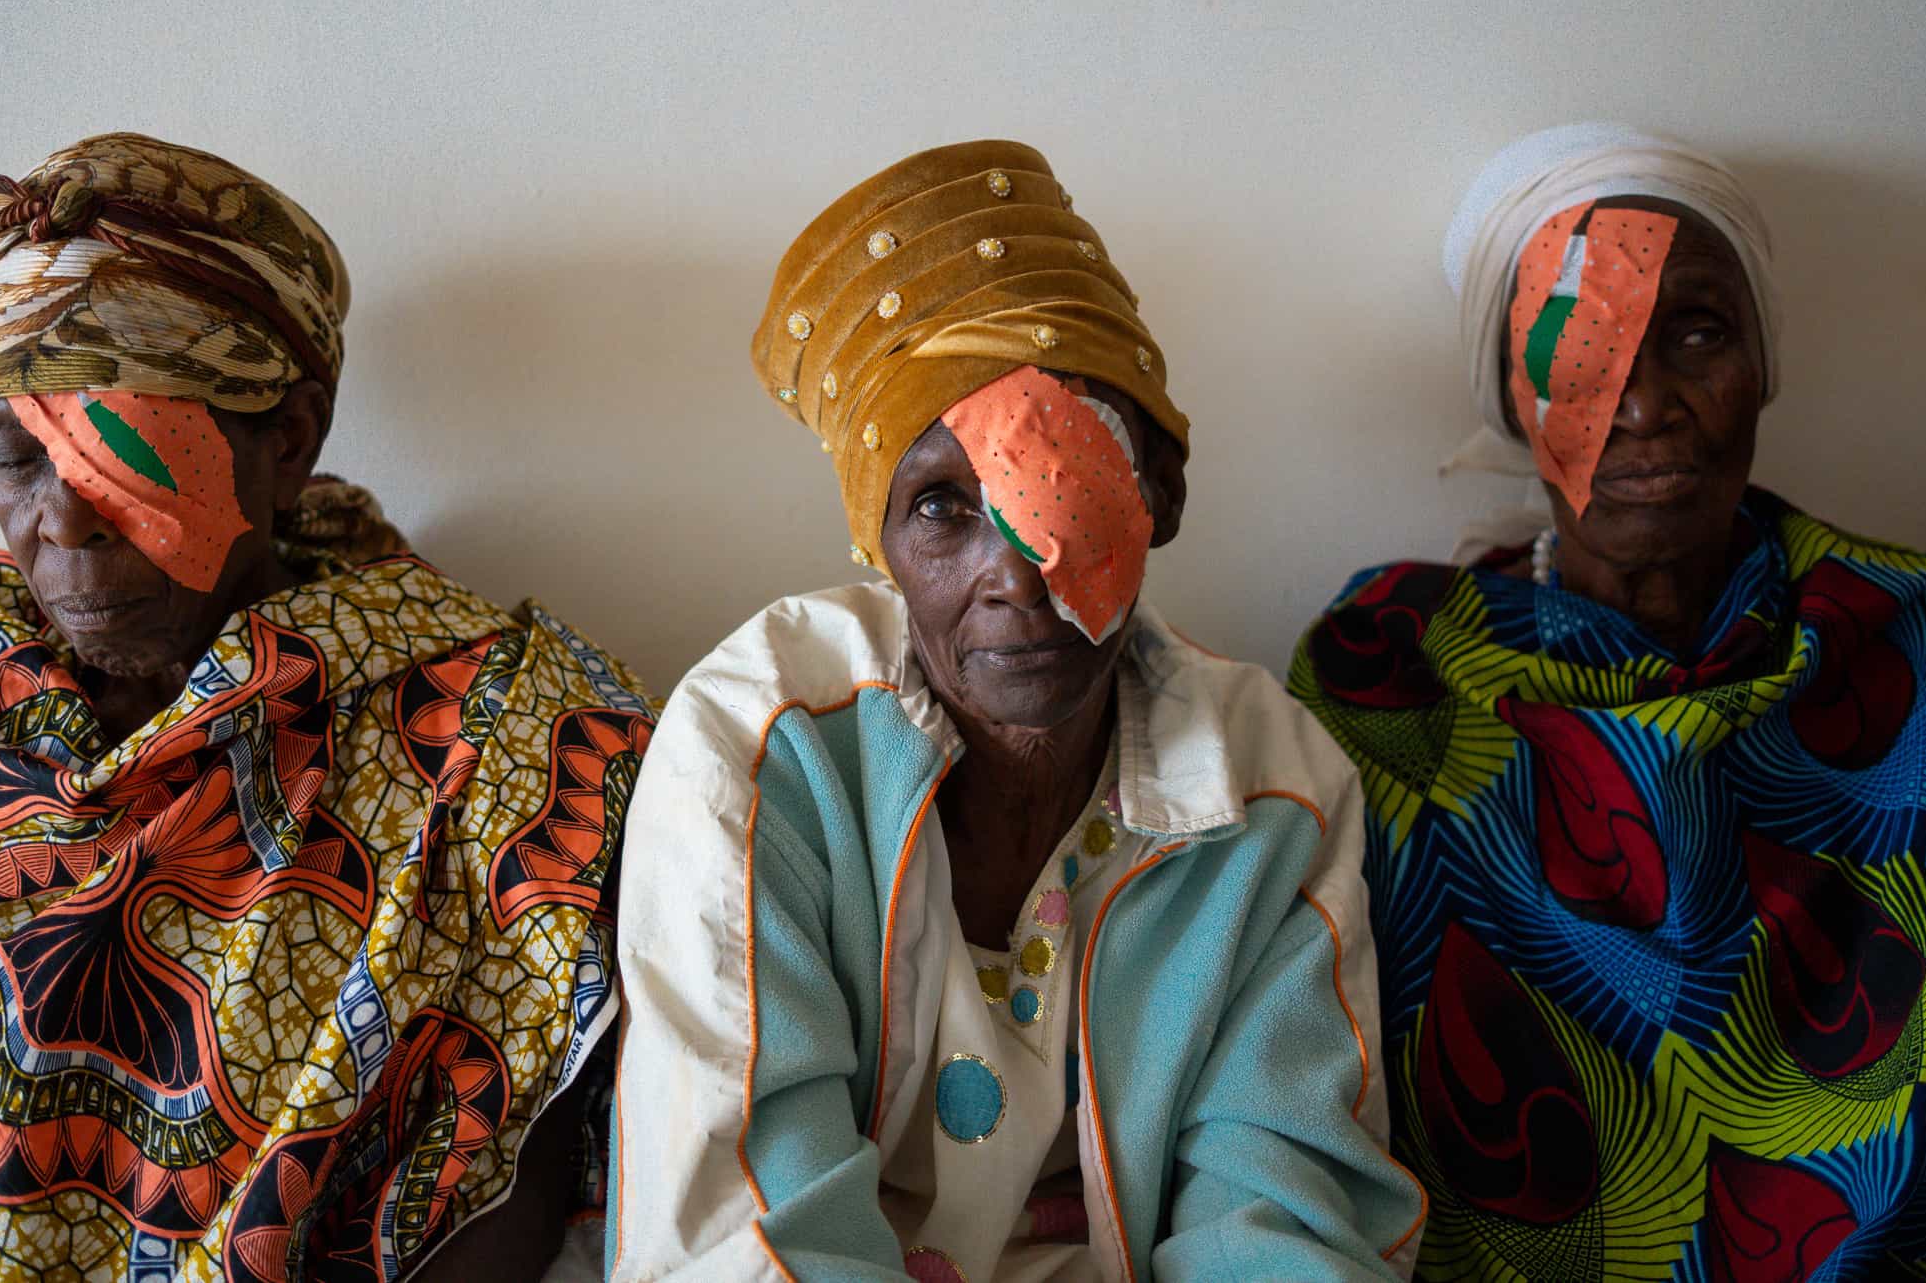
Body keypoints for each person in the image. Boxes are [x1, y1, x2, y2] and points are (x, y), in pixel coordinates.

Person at [611, 140, 1425, 1280]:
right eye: (944, 506)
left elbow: (1282, 1217)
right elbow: (742, 1224)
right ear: (880, 548)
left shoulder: (1267, 783)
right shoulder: (755, 753)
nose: (1018, 571)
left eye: (1070, 486)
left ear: (1161, 497)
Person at [0, 133, 652, 1280]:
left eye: (118, 448)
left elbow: (502, 1204)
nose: (60, 524)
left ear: (289, 438)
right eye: (17, 460)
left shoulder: (509, 740)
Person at [1287, 123, 1926, 1279]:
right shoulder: (1389, 671)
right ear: (1508, 400)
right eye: (1577, 354)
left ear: (1762, 364)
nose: (1644, 405)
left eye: (1696, 333)